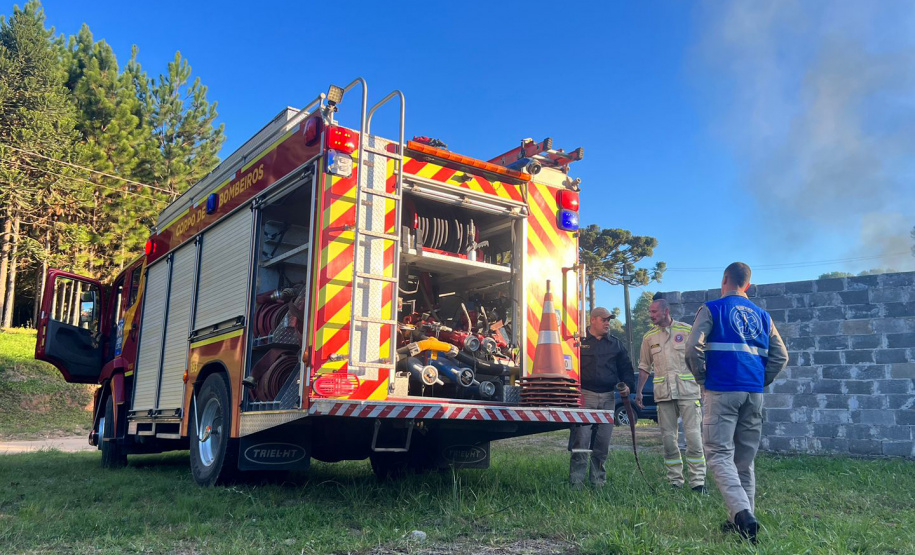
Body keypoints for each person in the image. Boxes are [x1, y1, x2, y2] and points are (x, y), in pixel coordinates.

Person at [685, 262, 788, 543]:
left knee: (718, 454)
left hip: (722, 390)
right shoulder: (764, 316)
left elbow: (693, 347)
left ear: (725, 279)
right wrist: (758, 380)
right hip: (753, 393)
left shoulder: (713, 309)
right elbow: (781, 357)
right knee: (744, 460)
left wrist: (703, 379)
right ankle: (740, 523)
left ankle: (742, 513)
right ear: (748, 285)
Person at [636, 298, 706, 492]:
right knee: (668, 440)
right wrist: (639, 391)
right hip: (663, 394)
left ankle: (698, 482)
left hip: (688, 392)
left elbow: (700, 358)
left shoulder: (686, 330)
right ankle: (675, 481)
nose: (651, 315)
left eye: (654, 312)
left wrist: (704, 384)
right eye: (650, 312)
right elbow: (644, 367)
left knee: (694, 439)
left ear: (666, 311)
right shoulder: (649, 337)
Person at [569, 306, 635, 487]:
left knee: (603, 443)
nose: (608, 323)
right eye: (604, 319)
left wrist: (628, 385)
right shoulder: (579, 342)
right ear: (593, 320)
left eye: (609, 320)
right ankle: (576, 483)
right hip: (585, 396)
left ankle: (598, 481)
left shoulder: (616, 344)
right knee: (581, 441)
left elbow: (626, 369)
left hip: (608, 397)